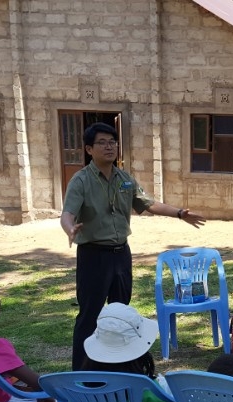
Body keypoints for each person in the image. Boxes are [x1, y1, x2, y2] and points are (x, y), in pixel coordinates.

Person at [60, 122, 207, 371]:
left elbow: (148, 203)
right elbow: (67, 214)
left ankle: (122, 370)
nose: (110, 147)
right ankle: (82, 374)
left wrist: (180, 213)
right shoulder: (81, 180)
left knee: (121, 315)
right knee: (89, 316)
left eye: (113, 142)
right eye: (103, 142)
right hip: (93, 256)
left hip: (121, 254)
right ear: (89, 148)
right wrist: (69, 228)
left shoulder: (124, 179)